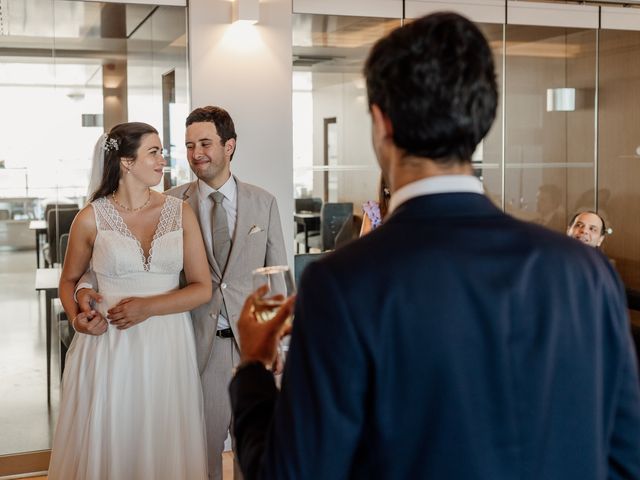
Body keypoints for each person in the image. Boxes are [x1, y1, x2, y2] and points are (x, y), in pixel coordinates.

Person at [229, 12, 640, 480]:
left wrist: (253, 369)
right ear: (482, 121)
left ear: (381, 123)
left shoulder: (344, 283)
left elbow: (290, 474)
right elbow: (626, 458)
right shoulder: (584, 271)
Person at [77, 106, 287, 480]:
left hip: (254, 347)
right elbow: (100, 269)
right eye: (189, 145)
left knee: (260, 455)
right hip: (193, 346)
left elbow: (276, 280)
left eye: (205, 143)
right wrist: (85, 295)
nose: (195, 154)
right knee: (193, 458)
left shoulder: (264, 202)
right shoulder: (168, 203)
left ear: (230, 146)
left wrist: (282, 343)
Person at [49, 122, 211, 479]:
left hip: (168, 345)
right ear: (126, 161)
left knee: (163, 438)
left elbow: (202, 287)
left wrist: (148, 307)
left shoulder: (180, 211)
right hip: (111, 347)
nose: (163, 160)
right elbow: (69, 280)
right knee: (116, 438)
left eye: (162, 153)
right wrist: (78, 318)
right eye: (154, 152)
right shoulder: (90, 218)